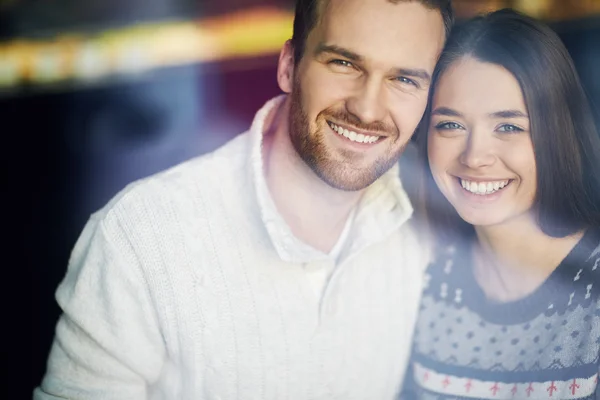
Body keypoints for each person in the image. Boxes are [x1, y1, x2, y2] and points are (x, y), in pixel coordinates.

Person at [34, 0, 451, 398]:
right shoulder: (140, 237)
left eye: (404, 80)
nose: (366, 108)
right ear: (289, 66)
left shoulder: (428, 231)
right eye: (344, 63)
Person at [401, 8, 600, 400]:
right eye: (451, 124)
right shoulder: (422, 272)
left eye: (508, 126)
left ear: (557, 131)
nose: (475, 156)